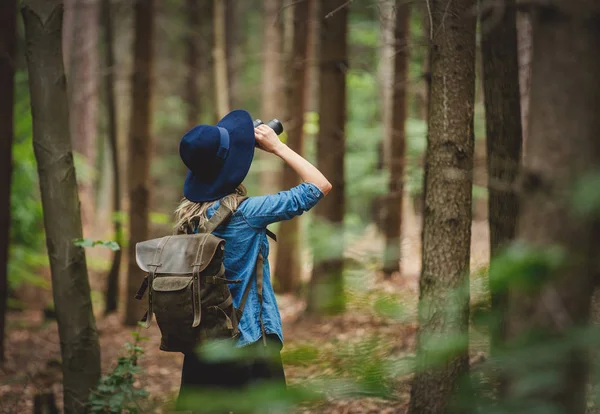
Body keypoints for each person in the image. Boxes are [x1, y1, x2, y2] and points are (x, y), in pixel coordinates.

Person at [174, 109, 331, 411]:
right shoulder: (249, 213)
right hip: (248, 342)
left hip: (201, 345)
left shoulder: (187, 216)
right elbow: (319, 185)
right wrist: (277, 147)